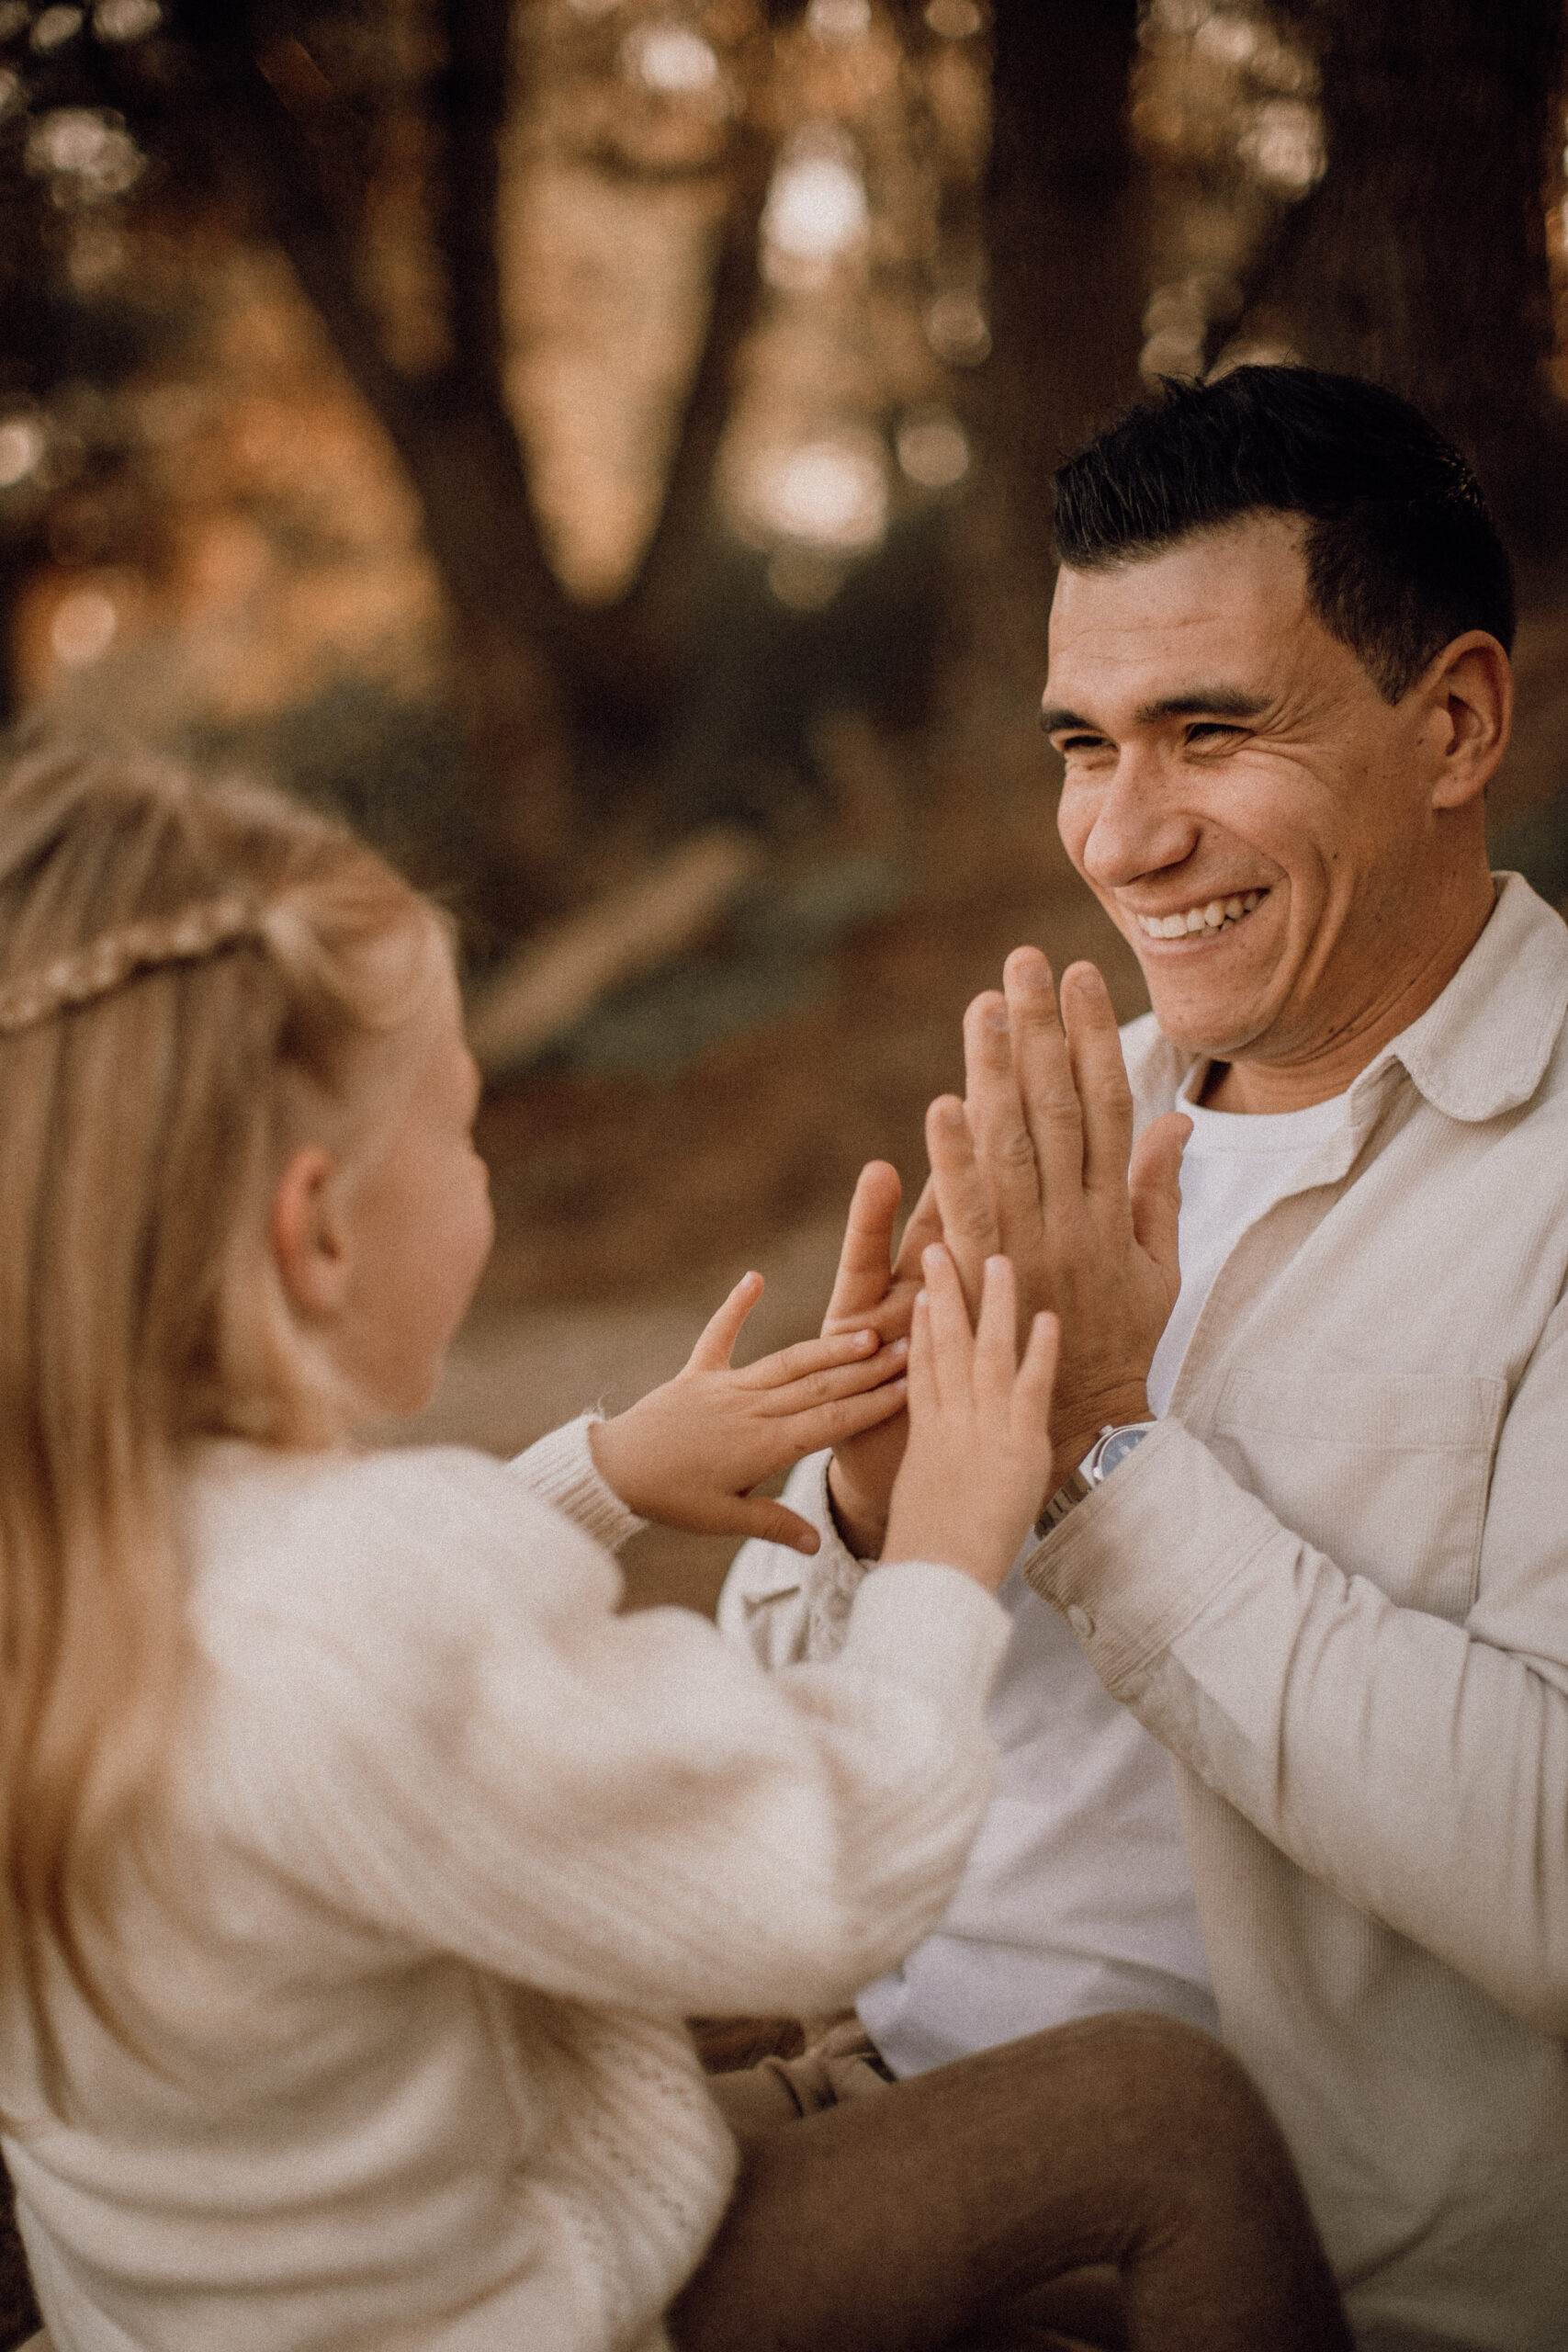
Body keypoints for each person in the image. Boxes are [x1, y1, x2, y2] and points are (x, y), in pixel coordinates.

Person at [0, 742, 1351, 2352]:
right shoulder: (372, 1594)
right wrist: (942, 1540)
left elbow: (296, 1675)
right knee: (1160, 2117)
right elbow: (832, 1874)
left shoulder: (72, 1562)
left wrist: (606, 1472)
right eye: (461, 1131)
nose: (481, 1171)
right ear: (319, 1232)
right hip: (507, 2310)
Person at [721, 367, 1568, 2351]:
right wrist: (869, 1512)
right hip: (888, 2116)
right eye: (1082, 744)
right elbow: (774, 1792)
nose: (1122, 832)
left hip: (1274, 2273)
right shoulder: (1062, 1121)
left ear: (1453, 722)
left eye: (1211, 731)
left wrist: (1104, 1449)